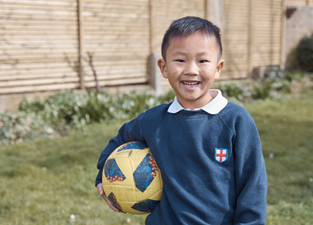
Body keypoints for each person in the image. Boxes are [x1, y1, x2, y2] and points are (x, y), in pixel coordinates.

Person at [95, 16, 267, 224]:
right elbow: (119, 140)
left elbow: (252, 186)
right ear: (164, 67)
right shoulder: (153, 121)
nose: (191, 70)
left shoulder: (236, 121)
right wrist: (105, 179)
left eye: (202, 61)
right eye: (180, 60)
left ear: (218, 68)